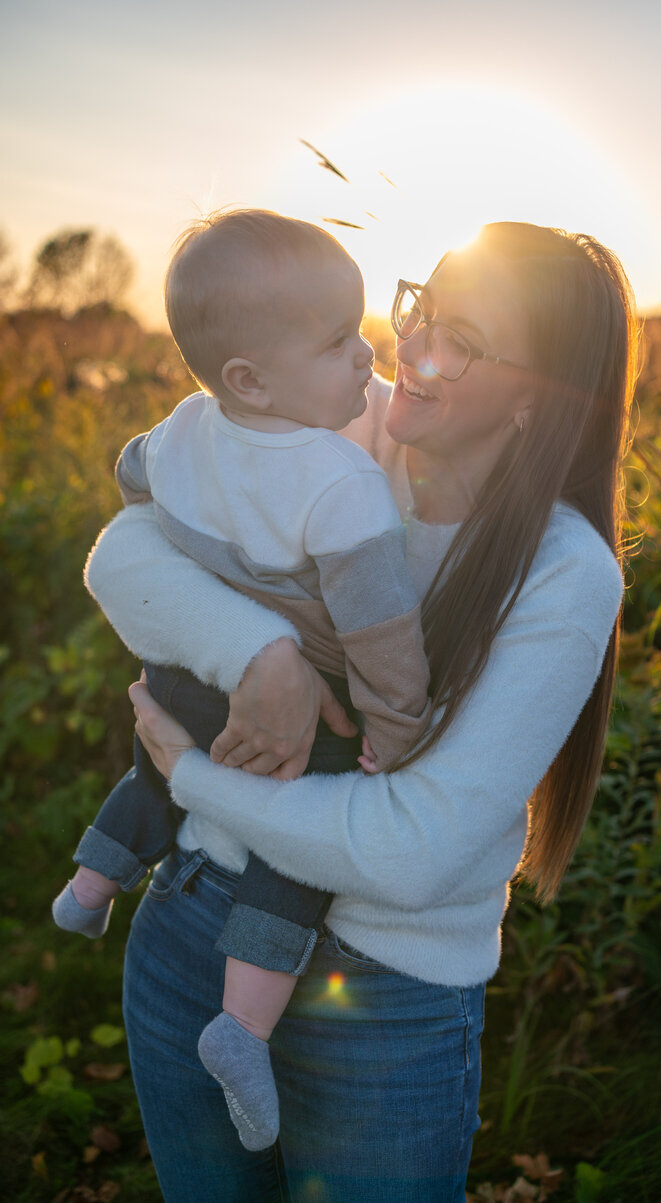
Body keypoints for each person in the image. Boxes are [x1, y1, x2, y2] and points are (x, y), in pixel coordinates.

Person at [84, 221, 637, 1203]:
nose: (411, 348)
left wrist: (193, 775)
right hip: (190, 926)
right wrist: (260, 656)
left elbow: (412, 852)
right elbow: (124, 553)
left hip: (381, 1001)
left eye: (462, 339)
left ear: (538, 396)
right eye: (420, 304)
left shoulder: (561, 572)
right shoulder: (331, 417)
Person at [52, 209, 431, 1153]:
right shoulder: (341, 481)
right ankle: (244, 1025)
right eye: (340, 342)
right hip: (305, 718)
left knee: (156, 761)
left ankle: (91, 884)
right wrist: (396, 722)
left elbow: (129, 474)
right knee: (293, 853)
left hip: (186, 674)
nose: (368, 358)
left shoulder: (183, 426)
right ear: (251, 379)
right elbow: (379, 627)